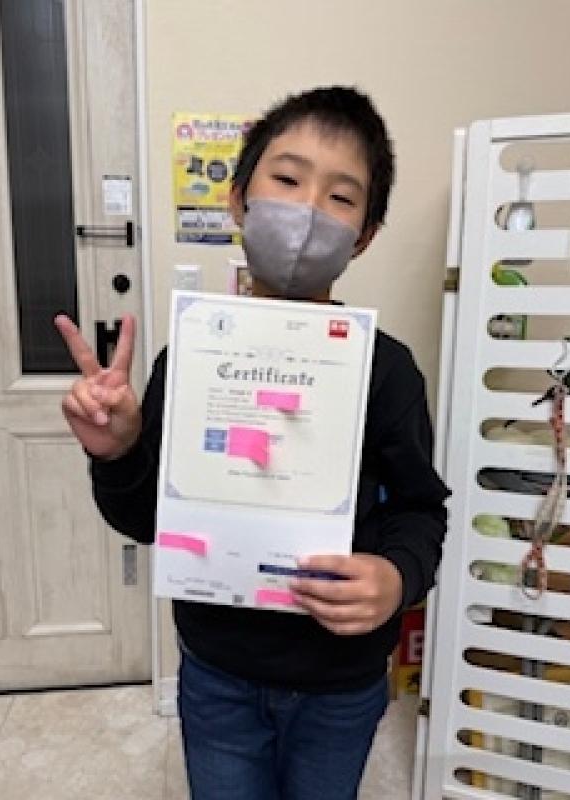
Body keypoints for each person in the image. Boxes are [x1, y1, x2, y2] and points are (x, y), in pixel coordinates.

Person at [55, 86, 449, 800]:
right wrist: (118, 451)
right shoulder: (194, 356)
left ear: (363, 235)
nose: (307, 212)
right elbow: (146, 520)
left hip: (342, 681)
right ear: (238, 200)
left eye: (340, 197)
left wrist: (396, 578)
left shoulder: (387, 370)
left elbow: (420, 509)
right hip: (219, 673)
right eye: (288, 179)